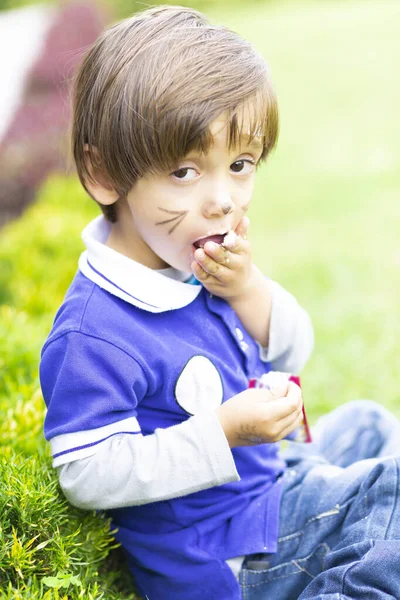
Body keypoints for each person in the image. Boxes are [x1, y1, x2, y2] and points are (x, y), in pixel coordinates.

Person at [39, 6, 400, 600]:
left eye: (239, 166)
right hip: (230, 548)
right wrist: (221, 433)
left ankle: (362, 542)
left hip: (270, 481)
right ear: (102, 173)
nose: (222, 201)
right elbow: (87, 473)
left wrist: (246, 287)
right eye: (185, 171)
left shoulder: (189, 261)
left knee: (368, 423)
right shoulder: (93, 333)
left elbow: (292, 345)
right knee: (391, 492)